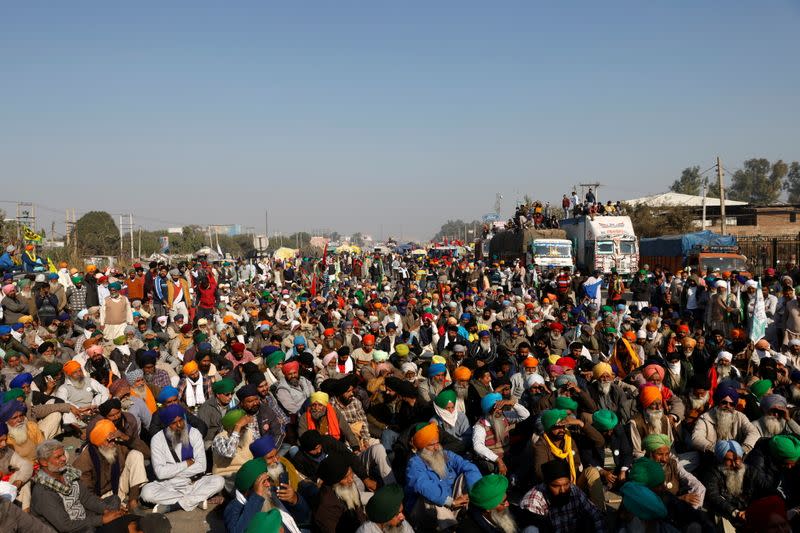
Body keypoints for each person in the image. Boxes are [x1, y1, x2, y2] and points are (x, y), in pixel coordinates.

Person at [31, 440, 133, 532]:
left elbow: (87, 498)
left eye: (63, 454)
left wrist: (108, 511)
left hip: (84, 516)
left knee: (115, 501)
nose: (64, 459)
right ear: (44, 462)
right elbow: (66, 526)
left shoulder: (68, 473)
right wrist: (102, 519)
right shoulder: (43, 492)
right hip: (73, 528)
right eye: (58, 457)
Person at [140, 404, 225, 512]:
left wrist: (171, 470)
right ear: (167, 425)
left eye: (181, 420)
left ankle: (174, 505)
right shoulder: (157, 440)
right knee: (146, 492)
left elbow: (201, 466)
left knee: (219, 481)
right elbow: (160, 473)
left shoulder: (194, 433)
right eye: (174, 423)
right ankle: (196, 500)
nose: (179, 425)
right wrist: (186, 464)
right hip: (169, 484)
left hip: (194, 481)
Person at [404, 422, 482, 530]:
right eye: (431, 444)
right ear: (422, 446)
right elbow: (423, 485)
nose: (436, 447)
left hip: (453, 501)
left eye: (437, 443)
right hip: (428, 511)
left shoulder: (445, 454)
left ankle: (476, 510)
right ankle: (450, 528)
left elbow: (469, 467)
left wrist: (473, 492)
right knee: (431, 498)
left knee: (466, 476)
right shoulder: (414, 463)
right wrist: (450, 501)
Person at [519, 459, 606, 533]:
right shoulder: (533, 502)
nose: (563, 490)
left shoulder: (573, 490)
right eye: (556, 486)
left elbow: (596, 515)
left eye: (566, 484)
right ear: (546, 484)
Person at [313, 454, 368, 533]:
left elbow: (359, 513)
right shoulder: (326, 506)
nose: (351, 480)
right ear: (335, 481)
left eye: (351, 473)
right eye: (345, 477)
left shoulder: (348, 484)